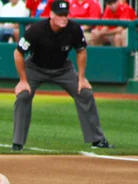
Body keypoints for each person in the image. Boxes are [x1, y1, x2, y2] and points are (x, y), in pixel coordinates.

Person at [11, 0, 114, 151]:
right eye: (60, 15)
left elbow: (81, 50)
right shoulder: (36, 30)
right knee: (23, 96)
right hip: (35, 67)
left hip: (62, 69)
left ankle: (97, 140)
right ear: (51, 15)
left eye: (65, 14)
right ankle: (17, 143)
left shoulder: (73, 29)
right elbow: (18, 53)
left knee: (84, 93)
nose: (63, 18)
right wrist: (22, 80)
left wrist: (81, 78)